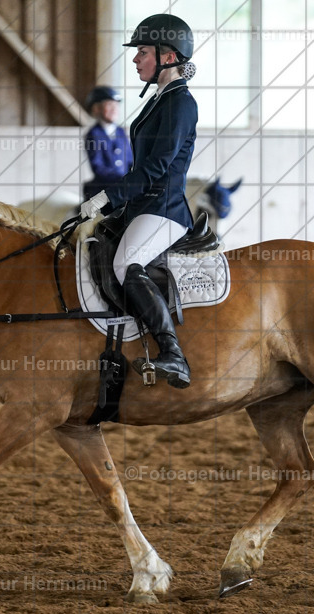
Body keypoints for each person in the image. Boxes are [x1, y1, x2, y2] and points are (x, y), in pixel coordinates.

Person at [79, 14, 198, 389]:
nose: (135, 59)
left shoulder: (180, 104)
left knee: (127, 263)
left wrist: (106, 197)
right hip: (141, 207)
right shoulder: (161, 100)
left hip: (163, 210)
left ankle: (173, 354)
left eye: (142, 52)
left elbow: (157, 167)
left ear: (167, 56)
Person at [82, 86, 133, 200]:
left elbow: (129, 160)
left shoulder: (120, 131)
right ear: (96, 109)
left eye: (116, 105)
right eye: (109, 105)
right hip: (104, 190)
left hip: (123, 187)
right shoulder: (93, 134)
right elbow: (98, 167)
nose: (114, 109)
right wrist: (121, 180)